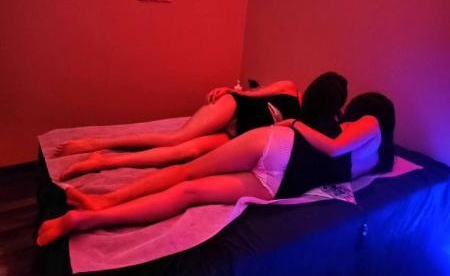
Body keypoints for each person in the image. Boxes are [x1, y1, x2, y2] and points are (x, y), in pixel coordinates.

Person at [37, 92, 395, 246]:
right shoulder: (375, 158)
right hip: (283, 180)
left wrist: (295, 124)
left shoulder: (371, 122)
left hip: (281, 154)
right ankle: (95, 212)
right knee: (188, 187)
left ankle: (95, 211)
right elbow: (337, 154)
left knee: (188, 179)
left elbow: (334, 146)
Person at [57, 72, 348, 180]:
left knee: (184, 153)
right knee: (177, 139)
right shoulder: (290, 88)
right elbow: (255, 93)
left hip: (241, 135)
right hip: (237, 107)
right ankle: (96, 144)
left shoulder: (308, 123)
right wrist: (230, 91)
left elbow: (332, 145)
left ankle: (103, 161)